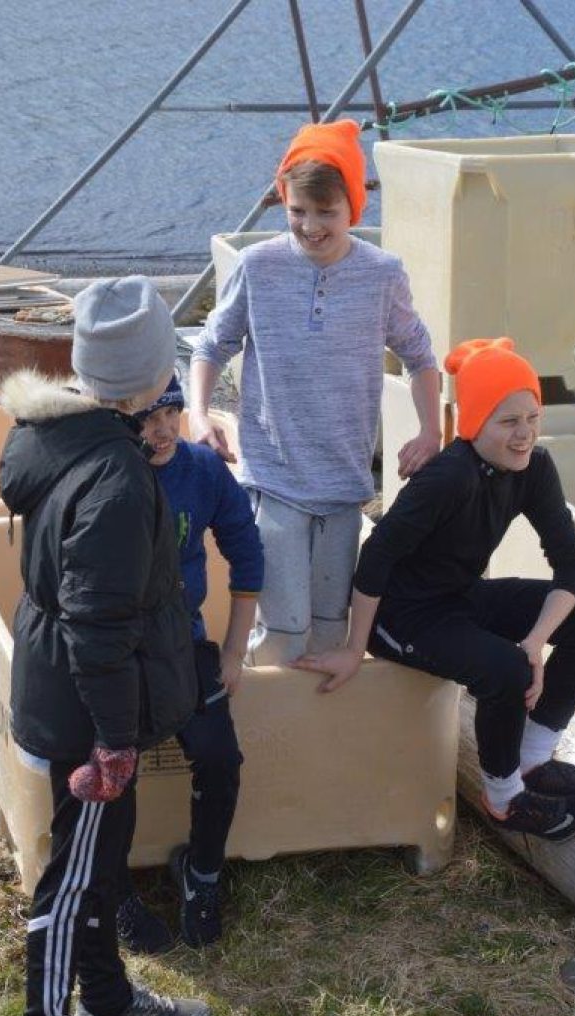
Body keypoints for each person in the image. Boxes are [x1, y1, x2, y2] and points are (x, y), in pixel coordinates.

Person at [0, 276, 211, 1016]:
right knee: (72, 877)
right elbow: (97, 625)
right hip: (89, 713)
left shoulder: (52, 432)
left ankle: (109, 1003)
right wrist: (116, 743)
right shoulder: (117, 479)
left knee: (101, 860)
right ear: (151, 375)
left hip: (62, 682)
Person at [292, 337, 575, 841]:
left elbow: (571, 563)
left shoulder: (534, 468)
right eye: (507, 421)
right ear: (475, 423)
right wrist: (355, 648)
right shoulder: (449, 477)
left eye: (532, 417)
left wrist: (535, 642)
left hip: (460, 598)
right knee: (506, 670)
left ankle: (533, 761)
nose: (524, 434)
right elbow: (376, 556)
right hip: (403, 617)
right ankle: (504, 799)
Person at [189, 119, 441, 665]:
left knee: (330, 636)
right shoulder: (257, 266)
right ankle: (252, 712)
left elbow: (421, 357)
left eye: (326, 212)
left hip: (346, 487)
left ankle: (306, 721)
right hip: (274, 480)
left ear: (354, 206)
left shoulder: (382, 274)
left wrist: (431, 431)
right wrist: (200, 414)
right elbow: (210, 346)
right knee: (283, 635)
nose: (311, 226)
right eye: (298, 210)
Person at [116, 375, 263, 951]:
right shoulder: (110, 472)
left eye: (171, 413)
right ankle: (112, 888)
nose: (163, 430)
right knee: (113, 762)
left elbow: (245, 547)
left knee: (220, 755)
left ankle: (201, 874)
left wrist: (234, 650)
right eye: (147, 419)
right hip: (118, 647)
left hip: (182, 639)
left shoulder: (201, 468)